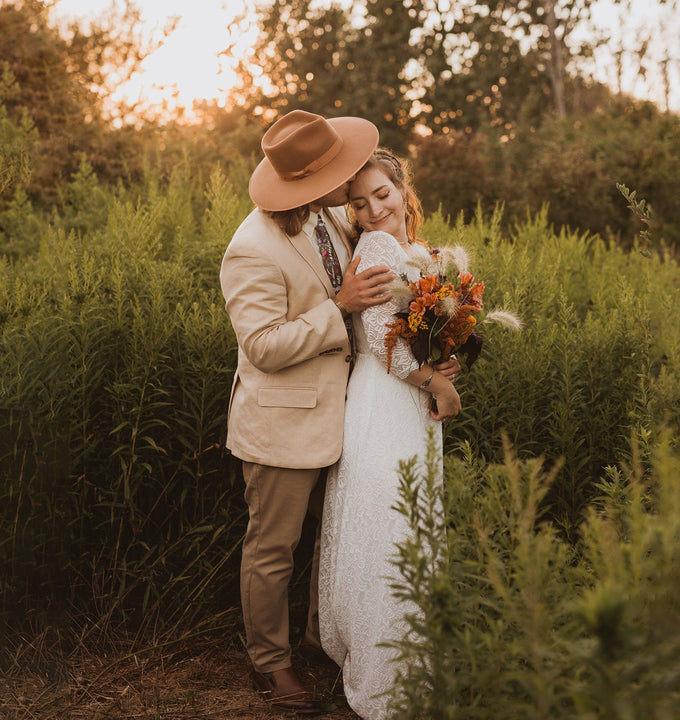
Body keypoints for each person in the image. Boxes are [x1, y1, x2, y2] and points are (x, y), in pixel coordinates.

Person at [219, 110, 396, 716]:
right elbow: (263, 346)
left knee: (337, 534)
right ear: (306, 183)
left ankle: (324, 639)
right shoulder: (250, 250)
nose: (350, 184)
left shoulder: (326, 217)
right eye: (341, 175)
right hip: (282, 423)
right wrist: (336, 304)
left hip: (345, 412)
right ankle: (269, 662)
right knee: (274, 548)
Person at [318, 148, 462, 719]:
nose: (373, 210)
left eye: (381, 194)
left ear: (403, 189)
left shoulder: (423, 253)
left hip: (412, 402)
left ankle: (414, 654)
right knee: (389, 521)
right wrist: (440, 385)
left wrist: (448, 361)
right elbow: (385, 343)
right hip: (384, 401)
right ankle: (385, 674)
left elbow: (427, 334)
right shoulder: (375, 248)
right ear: (351, 213)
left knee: (409, 518)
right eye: (358, 203)